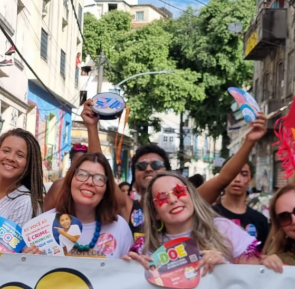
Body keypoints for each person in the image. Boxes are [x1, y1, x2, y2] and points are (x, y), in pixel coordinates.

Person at [72, 99, 269, 251]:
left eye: (156, 164)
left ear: (168, 171)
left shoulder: (186, 200)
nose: (149, 169)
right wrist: (91, 127)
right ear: (134, 173)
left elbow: (223, 178)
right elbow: (98, 167)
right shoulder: (127, 206)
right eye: (141, 165)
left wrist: (249, 141)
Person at [126, 172, 261, 275]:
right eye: (162, 198)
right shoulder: (145, 248)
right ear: (155, 212)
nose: (173, 200)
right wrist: (130, 269)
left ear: (191, 196)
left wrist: (224, 268)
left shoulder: (224, 229)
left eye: (178, 191)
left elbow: (256, 278)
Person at [29, 152, 133, 258]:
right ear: (70, 180)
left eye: (99, 178)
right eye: (82, 174)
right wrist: (27, 259)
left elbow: (130, 273)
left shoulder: (120, 227)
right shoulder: (43, 226)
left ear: (107, 189)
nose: (89, 182)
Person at [212, 161, 270, 250]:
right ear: (223, 177)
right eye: (232, 173)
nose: (237, 179)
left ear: (251, 180)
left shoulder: (260, 220)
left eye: (244, 174)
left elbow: (263, 255)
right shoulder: (209, 215)